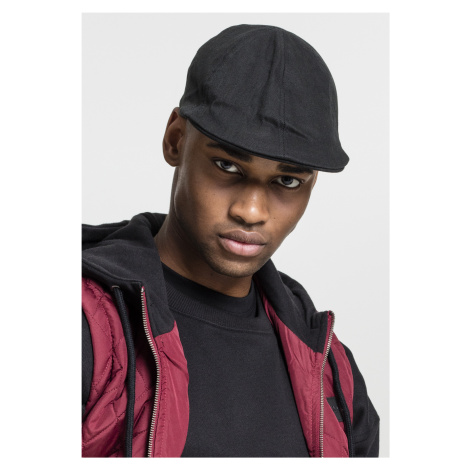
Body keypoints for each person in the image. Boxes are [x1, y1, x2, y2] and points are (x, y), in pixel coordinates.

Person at [82, 24, 380, 458]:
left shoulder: (330, 368)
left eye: (287, 181)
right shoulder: (88, 329)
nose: (251, 210)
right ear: (175, 140)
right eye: (227, 166)